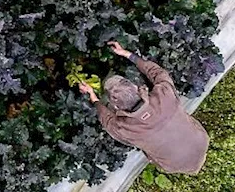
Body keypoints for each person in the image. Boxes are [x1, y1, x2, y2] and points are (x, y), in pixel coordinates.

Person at [76, 41, 210, 175]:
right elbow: (157, 73)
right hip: (201, 141)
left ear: (115, 107)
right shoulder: (165, 96)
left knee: (154, 154)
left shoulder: (124, 130)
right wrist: (127, 54)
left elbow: (106, 118)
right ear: (136, 88)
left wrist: (92, 95)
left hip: (172, 165)